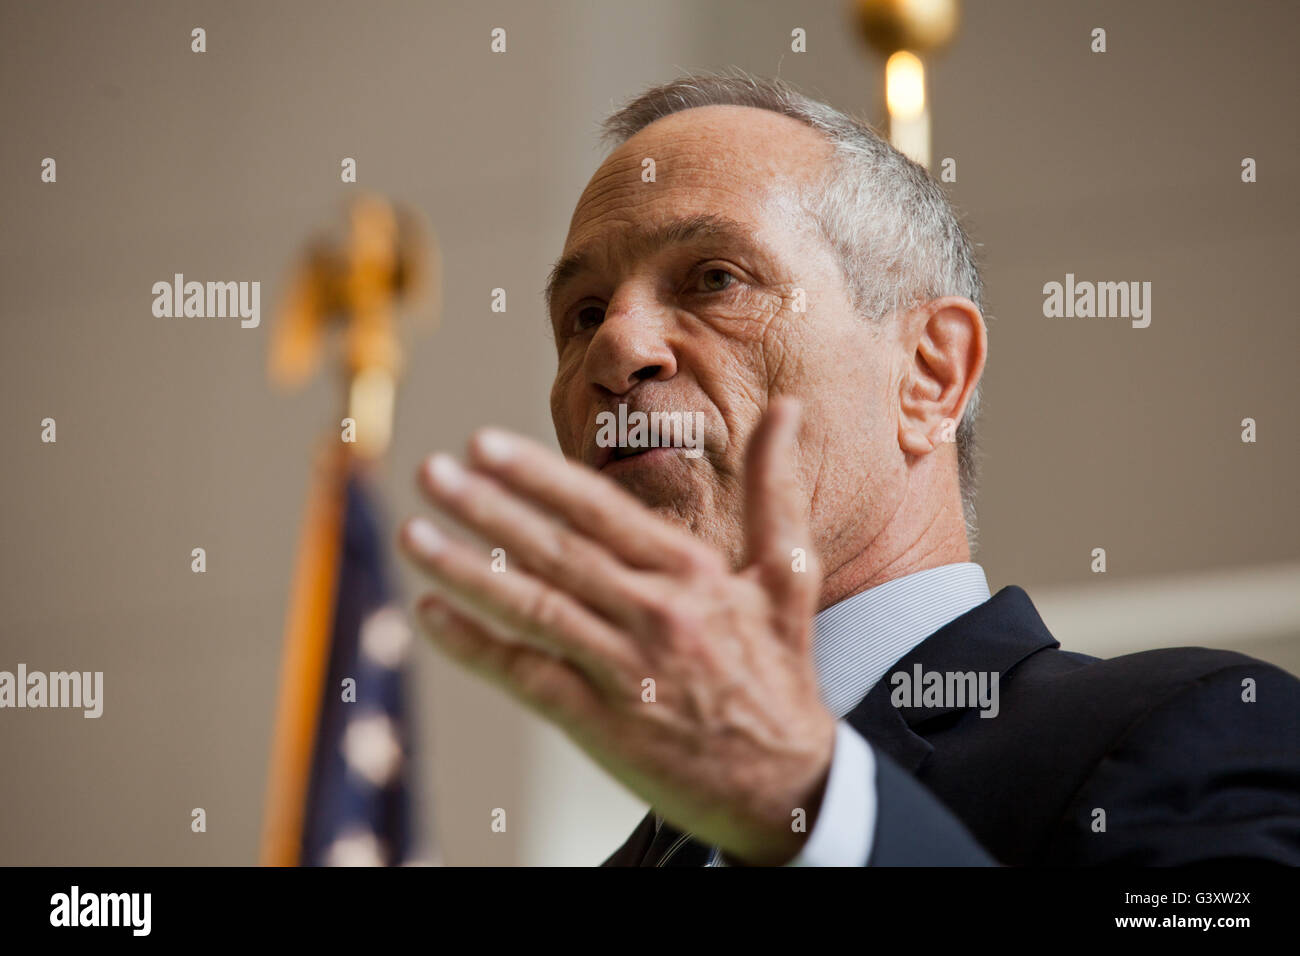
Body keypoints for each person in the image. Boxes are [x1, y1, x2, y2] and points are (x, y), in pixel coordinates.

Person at [399, 72, 1300, 866]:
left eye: (714, 279)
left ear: (928, 373)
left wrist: (815, 810)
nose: (616, 347)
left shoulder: (1195, 730)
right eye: (583, 311)